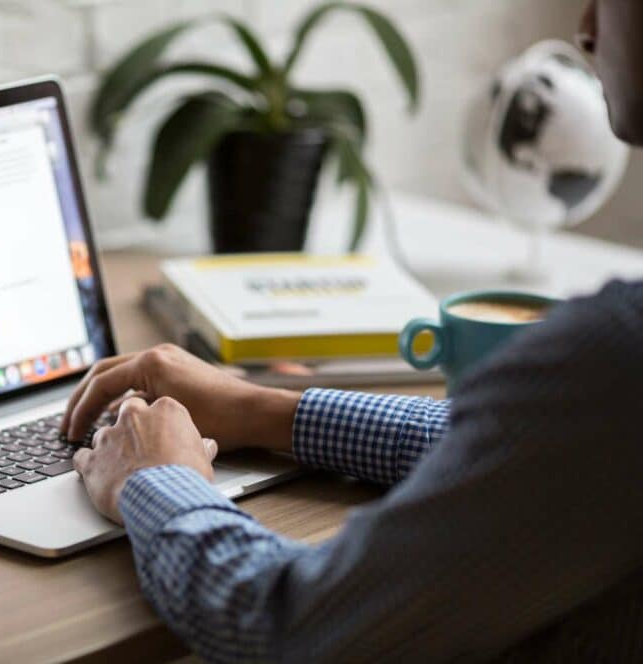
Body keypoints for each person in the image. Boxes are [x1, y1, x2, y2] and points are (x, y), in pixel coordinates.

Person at [63, 1, 643, 661]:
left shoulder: (617, 353)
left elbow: (291, 626)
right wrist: (262, 409)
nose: (586, 27)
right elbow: (533, 446)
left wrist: (155, 480)